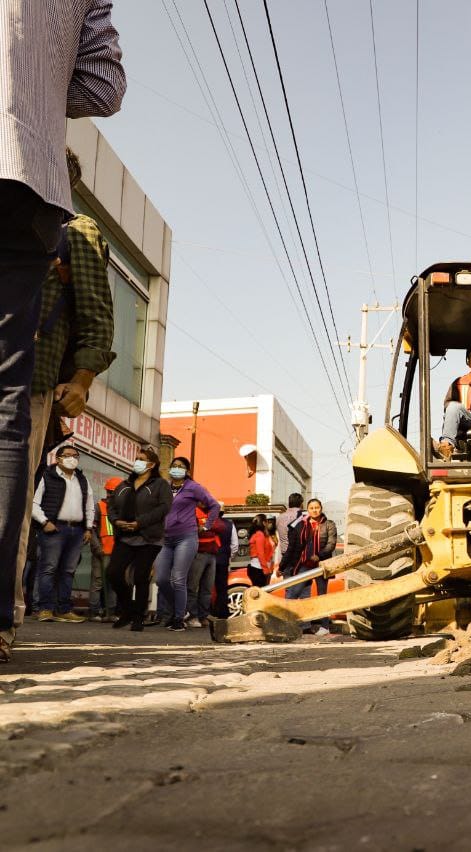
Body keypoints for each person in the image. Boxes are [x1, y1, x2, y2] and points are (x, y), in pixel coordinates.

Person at [0, 0, 127, 664]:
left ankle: (11, 605)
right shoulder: (43, 203)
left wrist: (81, 378)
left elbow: (99, 315)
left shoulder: (81, 234)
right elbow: (100, 83)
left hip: (43, 369)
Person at [106, 448, 171, 631]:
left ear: (152, 464)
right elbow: (111, 506)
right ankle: (128, 609)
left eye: (141, 459)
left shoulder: (160, 485)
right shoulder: (125, 484)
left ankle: (138, 617)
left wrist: (139, 523)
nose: (137, 462)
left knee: (141, 576)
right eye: (136, 459)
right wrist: (116, 521)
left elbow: (163, 508)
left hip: (149, 537)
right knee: (113, 573)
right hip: (125, 536)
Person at [153, 457, 219, 632]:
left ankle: (178, 619)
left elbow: (214, 506)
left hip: (186, 538)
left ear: (187, 471)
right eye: (173, 466)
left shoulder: (193, 488)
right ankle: (179, 608)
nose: (176, 469)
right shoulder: (163, 486)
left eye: (180, 467)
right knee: (161, 579)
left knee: (178, 578)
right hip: (165, 539)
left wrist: (206, 525)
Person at [31, 444, 94, 621]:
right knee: (49, 569)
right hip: (54, 529)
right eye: (68, 455)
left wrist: (88, 528)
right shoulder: (47, 476)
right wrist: (44, 522)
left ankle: (64, 609)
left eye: (75, 455)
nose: (72, 458)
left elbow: (89, 505)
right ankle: (45, 609)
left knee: (68, 571)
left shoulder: (81, 479)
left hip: (77, 530)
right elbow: (34, 503)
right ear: (58, 458)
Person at [280, 498, 337, 635]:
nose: (314, 510)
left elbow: (331, 544)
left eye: (317, 507)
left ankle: (324, 627)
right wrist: (285, 565)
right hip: (304, 564)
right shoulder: (302, 525)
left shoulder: (329, 524)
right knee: (294, 592)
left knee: (322, 595)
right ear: (308, 509)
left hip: (322, 565)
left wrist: (319, 555)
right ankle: (286, 623)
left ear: (321, 508)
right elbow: (295, 546)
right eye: (311, 508)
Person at [87, 475, 121, 620]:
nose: (110, 495)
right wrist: (97, 547)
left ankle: (111, 612)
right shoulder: (99, 507)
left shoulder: (123, 511)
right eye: (109, 492)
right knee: (98, 582)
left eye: (113, 493)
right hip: (101, 551)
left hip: (116, 553)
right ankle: (94, 611)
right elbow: (92, 530)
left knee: (112, 583)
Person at [185, 505, 220, 628]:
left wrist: (205, 526)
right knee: (192, 587)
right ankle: (192, 616)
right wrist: (207, 526)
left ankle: (203, 616)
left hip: (212, 554)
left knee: (207, 588)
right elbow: (193, 529)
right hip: (198, 553)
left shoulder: (211, 512)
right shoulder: (192, 511)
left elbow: (220, 527)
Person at [272, 493, 303, 576]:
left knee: (288, 585)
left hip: (285, 557)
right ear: (301, 504)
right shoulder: (303, 517)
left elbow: (273, 536)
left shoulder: (279, 518)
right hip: (300, 556)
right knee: (302, 585)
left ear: (289, 503)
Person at [210, 514, 234, 620]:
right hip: (223, 559)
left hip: (209, 556)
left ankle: (207, 611)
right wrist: (229, 556)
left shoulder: (207, 521)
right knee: (222, 588)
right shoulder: (229, 524)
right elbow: (235, 545)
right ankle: (222, 612)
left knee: (206, 586)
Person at [246, 514, 273, 587]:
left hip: (258, 568)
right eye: (267, 521)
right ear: (264, 523)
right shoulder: (260, 535)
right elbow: (260, 554)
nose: (268, 523)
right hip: (259, 569)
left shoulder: (258, 534)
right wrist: (266, 570)